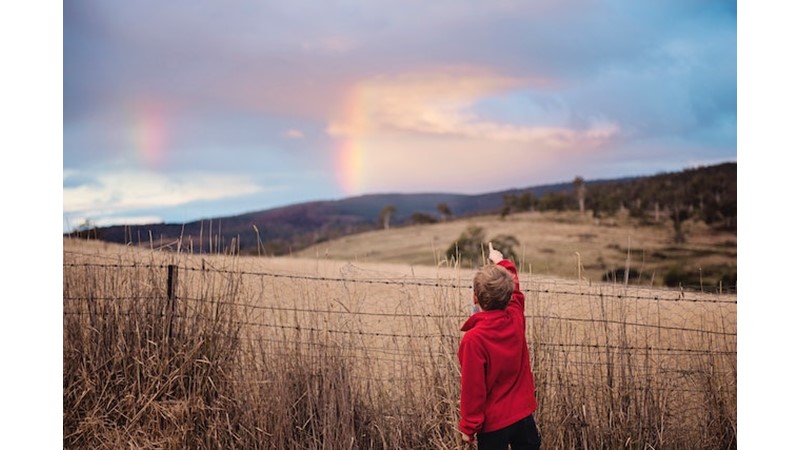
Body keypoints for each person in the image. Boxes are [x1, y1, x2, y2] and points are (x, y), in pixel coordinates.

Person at [458, 242, 540, 449]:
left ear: (475, 298)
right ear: (509, 295)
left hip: (493, 425)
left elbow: (472, 389)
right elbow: (515, 286)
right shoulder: (515, 315)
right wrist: (500, 260)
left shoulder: (473, 340)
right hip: (523, 416)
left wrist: (469, 427)